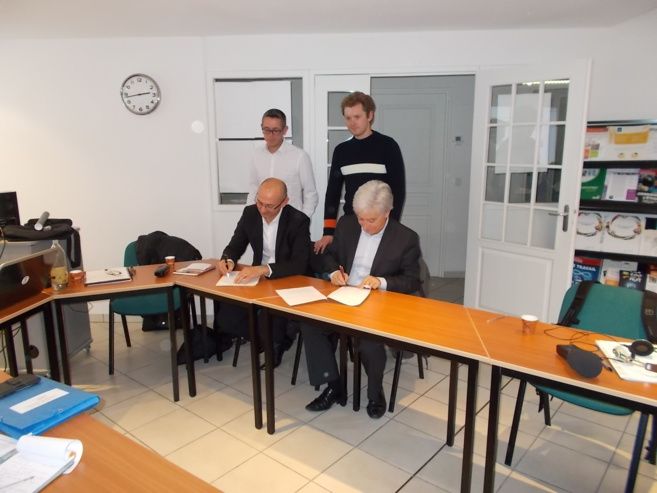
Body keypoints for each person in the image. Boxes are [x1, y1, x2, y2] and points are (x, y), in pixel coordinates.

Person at [302, 180, 421, 418]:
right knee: (310, 324)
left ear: (387, 212)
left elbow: (412, 281)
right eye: (361, 219)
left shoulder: (405, 238)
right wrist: (333, 272)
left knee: (369, 344)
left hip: (378, 303)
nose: (364, 226)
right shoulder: (347, 224)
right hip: (343, 294)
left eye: (371, 220)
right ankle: (333, 386)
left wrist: (382, 281)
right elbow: (329, 256)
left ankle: (375, 394)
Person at [215, 178, 311, 368]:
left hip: (288, 278)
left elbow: (300, 264)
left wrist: (265, 269)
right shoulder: (250, 213)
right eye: (260, 202)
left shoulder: (298, 221)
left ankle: (275, 343)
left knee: (270, 317)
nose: (263, 210)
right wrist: (228, 259)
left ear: (284, 202)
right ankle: (268, 339)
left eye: (269, 206)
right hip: (257, 277)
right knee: (226, 319)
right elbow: (235, 245)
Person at [314, 92, 406, 254]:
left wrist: (391, 226)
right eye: (348, 118)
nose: (352, 122)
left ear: (370, 115)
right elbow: (333, 193)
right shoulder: (341, 151)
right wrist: (328, 231)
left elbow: (398, 191)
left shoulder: (387, 146)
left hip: (379, 223)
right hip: (351, 224)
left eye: (357, 117)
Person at [246, 108, 318, 219]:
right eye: (266, 130)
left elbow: (310, 194)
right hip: (261, 219)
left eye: (276, 130)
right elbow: (253, 189)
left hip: (290, 220)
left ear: (285, 130)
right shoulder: (256, 155)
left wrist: (302, 220)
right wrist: (249, 217)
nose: (271, 135)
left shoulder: (300, 156)